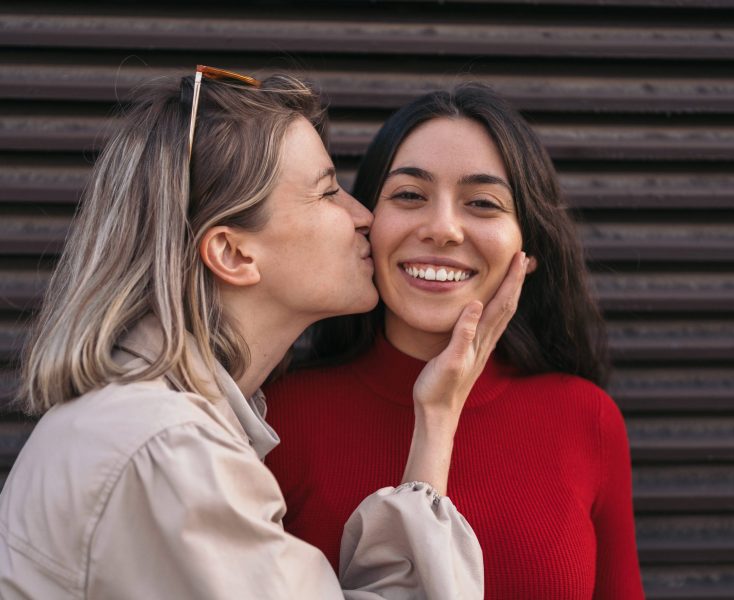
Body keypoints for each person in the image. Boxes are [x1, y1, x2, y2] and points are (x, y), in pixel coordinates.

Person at [0, 67, 527, 599]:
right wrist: (437, 422)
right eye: (326, 193)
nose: (363, 215)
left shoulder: (156, 425)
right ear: (233, 253)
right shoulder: (169, 450)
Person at [263, 84, 646, 599]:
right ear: (364, 226)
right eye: (409, 195)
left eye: (483, 203)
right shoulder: (279, 418)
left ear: (527, 249)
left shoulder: (586, 418)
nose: (442, 228)